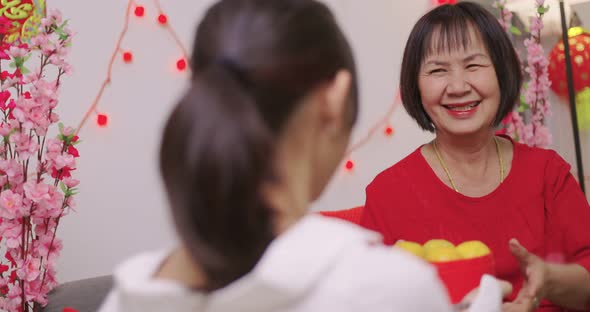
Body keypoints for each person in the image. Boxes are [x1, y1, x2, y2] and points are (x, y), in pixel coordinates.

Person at [95, 0, 510, 311]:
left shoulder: (125, 297)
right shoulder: (387, 288)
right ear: (334, 99)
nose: (458, 85)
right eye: (438, 70)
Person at [360, 2, 590, 312]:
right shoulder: (388, 193)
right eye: (438, 70)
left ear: (501, 72)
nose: (457, 87)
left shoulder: (548, 173)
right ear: (415, 84)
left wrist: (548, 279)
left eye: (473, 65)